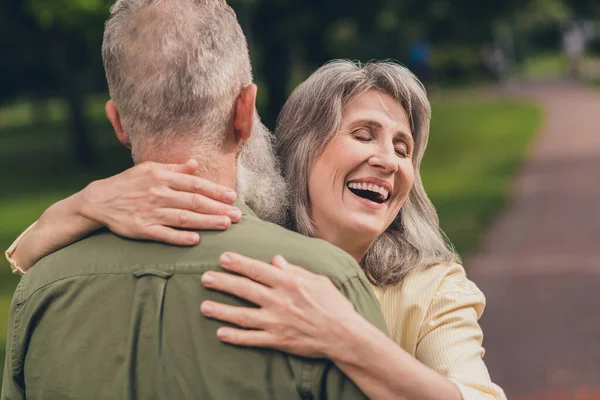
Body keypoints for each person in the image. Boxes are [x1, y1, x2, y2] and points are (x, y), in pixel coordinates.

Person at [5, 27, 507, 400]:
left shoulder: (432, 289)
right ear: (305, 149)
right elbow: (34, 263)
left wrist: (350, 337)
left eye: (403, 148)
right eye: (363, 134)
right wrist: (81, 204)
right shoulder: (249, 248)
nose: (389, 160)